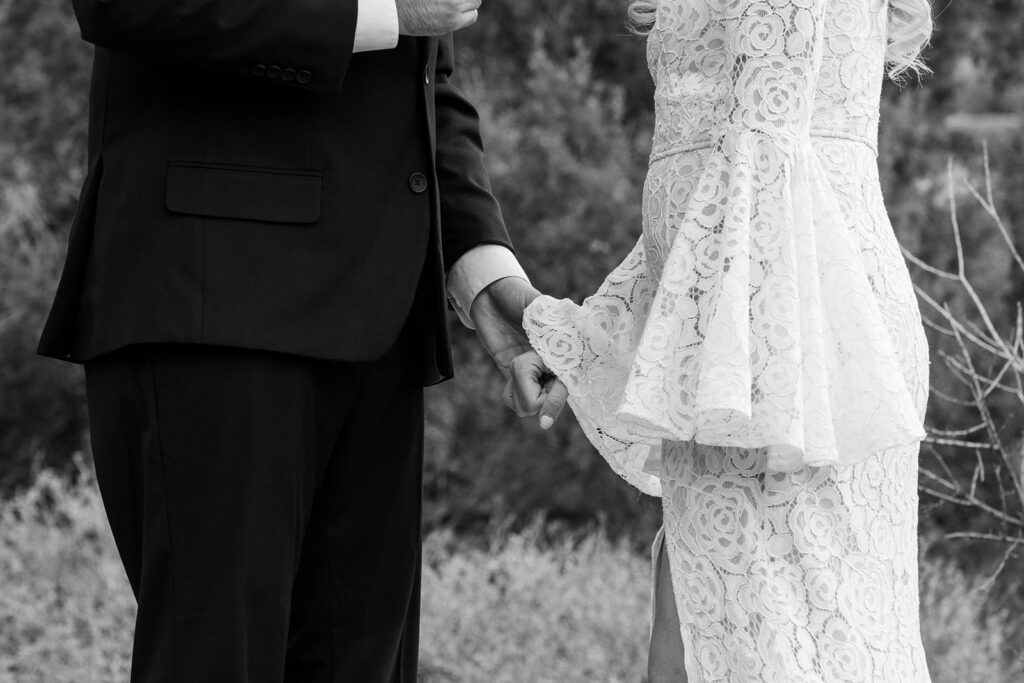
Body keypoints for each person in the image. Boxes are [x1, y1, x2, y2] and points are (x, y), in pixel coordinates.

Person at [37, 0, 538, 680]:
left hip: (380, 318)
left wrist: (480, 267)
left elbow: (420, 76)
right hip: (214, 300)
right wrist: (383, 10)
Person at [511, 0, 935, 680]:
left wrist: (705, 360)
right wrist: (593, 338)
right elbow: (714, 184)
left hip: (785, 338)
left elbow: (759, 170)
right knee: (714, 625)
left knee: (764, 645)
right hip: (756, 316)